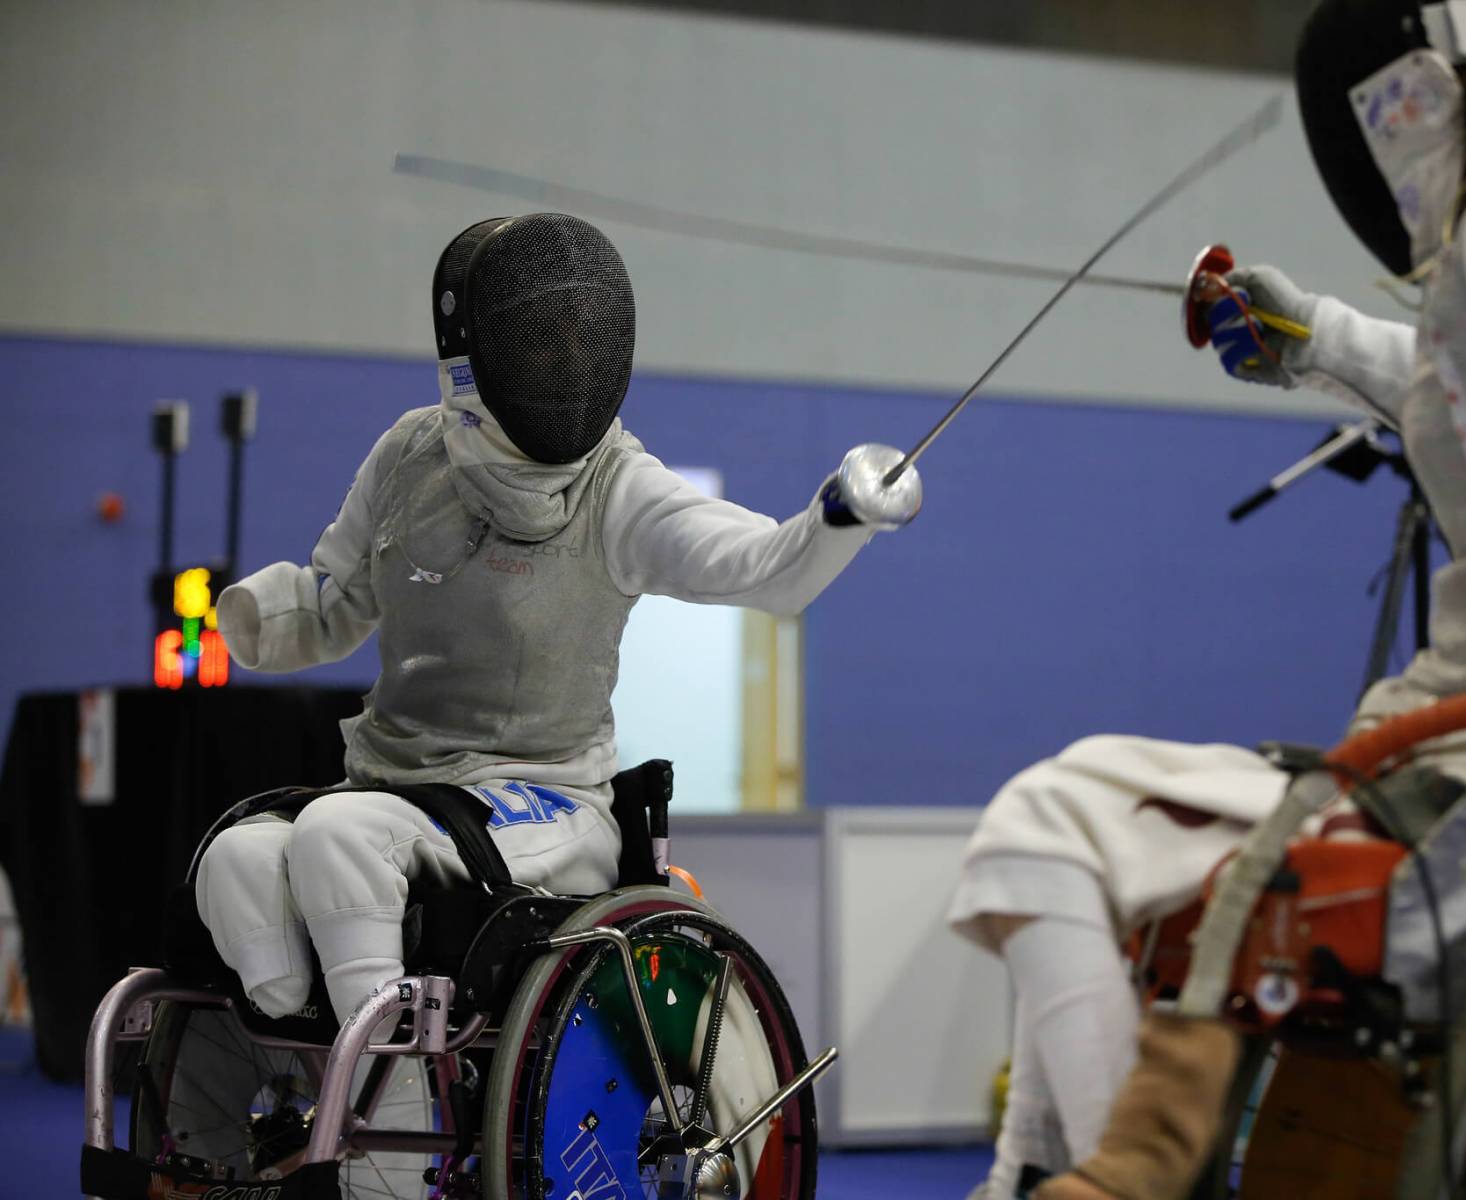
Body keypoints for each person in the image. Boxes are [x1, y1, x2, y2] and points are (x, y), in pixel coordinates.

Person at [951, 1, 1466, 1196]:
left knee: (1053, 820)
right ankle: (1037, 1174)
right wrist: (1319, 340)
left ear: (1412, 90)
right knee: (1103, 849)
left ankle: (1119, 1175)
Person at [195, 212, 922, 1030]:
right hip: (395, 787)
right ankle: (312, 1088)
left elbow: (764, 569)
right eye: (543, 341)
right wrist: (254, 616)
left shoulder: (620, 489)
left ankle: (384, 1136)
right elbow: (334, 602)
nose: (567, 365)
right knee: (240, 859)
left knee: (337, 838)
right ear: (473, 355)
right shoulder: (409, 455)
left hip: (543, 801)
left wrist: (842, 515)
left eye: (581, 340)